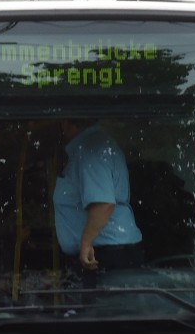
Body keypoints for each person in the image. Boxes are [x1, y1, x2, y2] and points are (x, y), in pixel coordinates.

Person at [52, 119, 143, 284]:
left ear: (68, 123)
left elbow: (103, 204)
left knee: (105, 309)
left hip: (105, 256)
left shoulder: (91, 149)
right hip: (107, 253)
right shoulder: (95, 145)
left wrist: (86, 244)